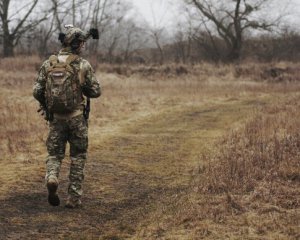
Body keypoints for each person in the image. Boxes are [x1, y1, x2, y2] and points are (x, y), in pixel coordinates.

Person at [33, 26, 101, 208]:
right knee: (78, 157)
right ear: (77, 45)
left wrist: (46, 106)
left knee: (54, 155)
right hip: (77, 118)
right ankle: (74, 198)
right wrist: (82, 87)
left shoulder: (49, 63)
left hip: (56, 119)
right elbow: (96, 91)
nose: (84, 46)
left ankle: (53, 177)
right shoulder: (83, 64)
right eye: (83, 44)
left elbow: (37, 91)